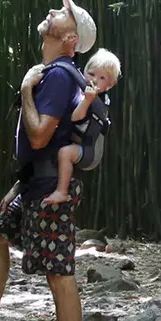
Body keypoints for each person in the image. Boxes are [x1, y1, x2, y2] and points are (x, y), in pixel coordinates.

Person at [0, 0, 95, 321]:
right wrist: (17, 187)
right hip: (33, 185)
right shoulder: (56, 72)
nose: (52, 13)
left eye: (61, 14)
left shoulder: (59, 76)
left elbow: (40, 134)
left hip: (51, 194)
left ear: (70, 39)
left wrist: (26, 88)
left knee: (59, 274)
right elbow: (41, 145)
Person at [41, 48, 120, 206]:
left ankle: (61, 192)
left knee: (65, 153)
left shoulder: (97, 101)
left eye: (102, 78)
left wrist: (87, 101)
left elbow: (76, 117)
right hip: (81, 143)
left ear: (110, 85)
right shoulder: (83, 92)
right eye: (91, 74)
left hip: (90, 153)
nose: (95, 80)